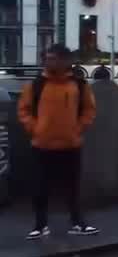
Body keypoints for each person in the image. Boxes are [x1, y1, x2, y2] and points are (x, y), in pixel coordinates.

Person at [18, 44, 98, 239]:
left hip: (71, 144)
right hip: (42, 145)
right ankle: (40, 225)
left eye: (53, 58)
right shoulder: (36, 85)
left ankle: (78, 223)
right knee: (40, 188)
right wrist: (35, 129)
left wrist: (78, 129)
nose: (49, 62)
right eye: (47, 58)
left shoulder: (79, 85)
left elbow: (89, 109)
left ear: (65, 61)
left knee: (73, 188)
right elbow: (24, 110)